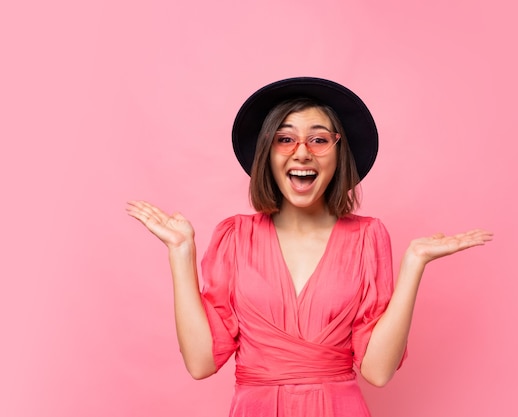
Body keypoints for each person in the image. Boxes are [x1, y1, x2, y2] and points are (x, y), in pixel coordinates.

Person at [126, 77, 493, 417]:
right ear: (267, 155)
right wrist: (180, 252)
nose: (302, 152)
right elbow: (200, 363)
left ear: (338, 153)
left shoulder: (368, 237)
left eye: (318, 139)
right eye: (285, 139)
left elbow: (378, 372)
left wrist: (414, 264)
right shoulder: (234, 236)